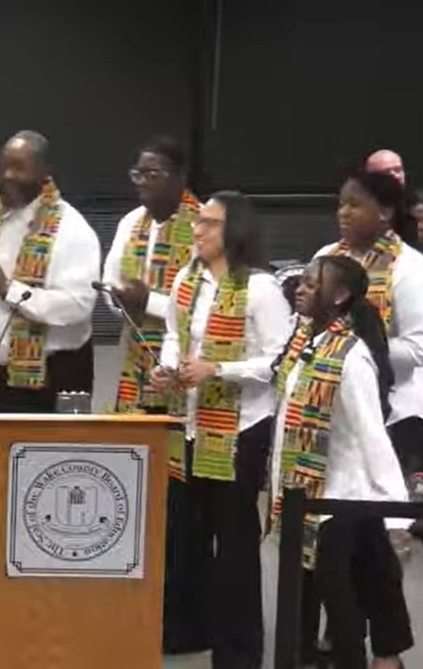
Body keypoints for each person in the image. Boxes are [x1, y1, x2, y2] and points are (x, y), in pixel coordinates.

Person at [0, 130, 100, 598]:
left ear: (44, 174)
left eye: (19, 168)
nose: (8, 177)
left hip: (53, 373)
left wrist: (5, 286)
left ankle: (43, 573)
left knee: (48, 474)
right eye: (4, 166)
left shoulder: (72, 229)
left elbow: (76, 308)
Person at [149, 191, 292, 666]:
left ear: (235, 231)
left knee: (232, 543)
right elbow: (173, 334)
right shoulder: (188, 279)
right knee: (184, 533)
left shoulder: (261, 288)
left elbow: (276, 360)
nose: (198, 229)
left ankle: (238, 650)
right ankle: (189, 628)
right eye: (199, 222)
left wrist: (218, 371)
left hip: (238, 429)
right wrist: (169, 367)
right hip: (189, 422)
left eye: (209, 223)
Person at [272, 255, 413, 669]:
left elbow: (373, 437)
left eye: (313, 285)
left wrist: (397, 516)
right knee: (316, 590)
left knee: (341, 602)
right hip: (306, 491)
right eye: (302, 282)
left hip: (338, 499)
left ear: (340, 296)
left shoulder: (351, 359)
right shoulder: (305, 340)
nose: (300, 288)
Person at [314, 169, 423, 478]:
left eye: (355, 204)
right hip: (328, 407)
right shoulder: (326, 257)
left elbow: (419, 348)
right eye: (341, 203)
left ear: (385, 212)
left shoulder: (412, 269)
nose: (343, 212)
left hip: (394, 411)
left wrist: (353, 351)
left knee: (384, 516)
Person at [103, 136, 200, 415]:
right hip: (135, 347)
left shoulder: (203, 224)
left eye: (153, 174)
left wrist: (148, 303)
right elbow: (110, 279)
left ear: (180, 176)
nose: (142, 181)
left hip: (184, 354)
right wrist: (121, 300)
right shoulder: (131, 222)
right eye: (138, 174)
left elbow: (204, 301)